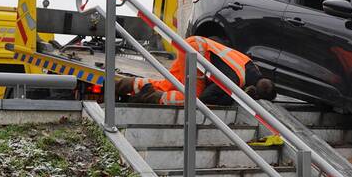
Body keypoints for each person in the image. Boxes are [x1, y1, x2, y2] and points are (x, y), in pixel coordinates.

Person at [116, 36, 275, 106]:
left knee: (170, 84)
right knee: (192, 98)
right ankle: (149, 97)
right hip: (197, 53)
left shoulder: (250, 66)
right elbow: (206, 98)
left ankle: (122, 85)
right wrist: (233, 99)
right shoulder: (235, 79)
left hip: (195, 46)